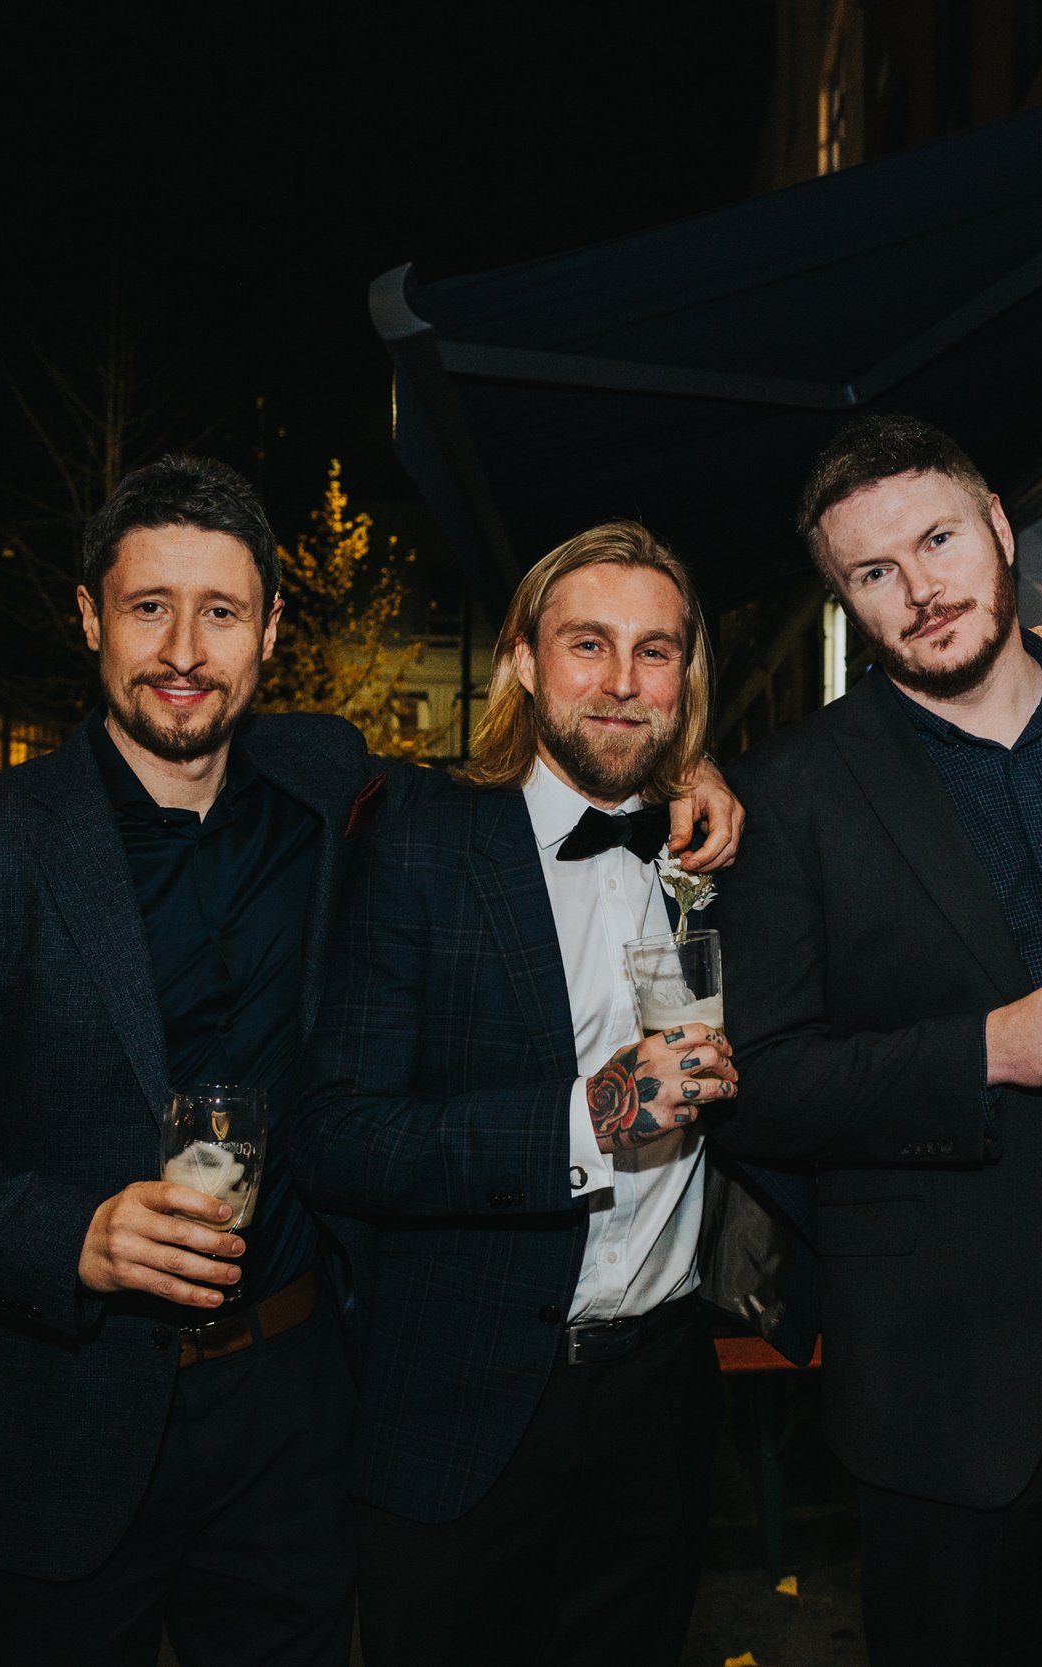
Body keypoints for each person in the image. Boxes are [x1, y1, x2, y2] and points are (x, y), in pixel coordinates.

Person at [0, 459, 736, 1667]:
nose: (184, 649)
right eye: (147, 607)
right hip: (58, 1415)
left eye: (222, 612)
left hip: (291, 1410)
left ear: (270, 631)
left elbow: (556, 770)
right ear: (88, 616)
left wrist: (680, 769)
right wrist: (63, 1232)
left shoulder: (325, 780)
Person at [718, 414, 1042, 1666]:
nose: (920, 589)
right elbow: (765, 1084)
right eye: (873, 573)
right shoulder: (792, 791)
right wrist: (985, 1049)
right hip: (947, 1380)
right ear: (844, 598)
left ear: (1002, 528)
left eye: (940, 539)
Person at [287, 520, 742, 1667]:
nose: (624, 681)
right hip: (465, 1396)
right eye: (588, 644)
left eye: (657, 650)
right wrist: (581, 1122)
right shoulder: (421, 840)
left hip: (660, 1398)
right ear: (525, 661)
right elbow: (338, 1134)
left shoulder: (720, 847)